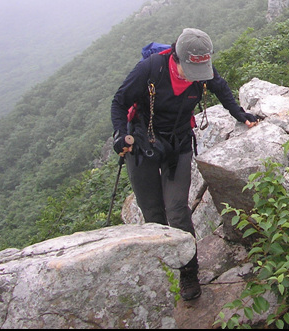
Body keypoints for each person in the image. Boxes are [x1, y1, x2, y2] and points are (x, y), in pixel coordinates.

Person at [110, 28, 259, 301]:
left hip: (178, 144)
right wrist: (120, 134)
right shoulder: (150, 70)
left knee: (177, 211)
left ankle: (188, 271)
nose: (195, 77)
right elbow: (120, 102)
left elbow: (221, 88)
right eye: (189, 70)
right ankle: (164, 267)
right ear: (177, 58)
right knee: (153, 213)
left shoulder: (201, 69)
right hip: (143, 144)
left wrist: (241, 114)